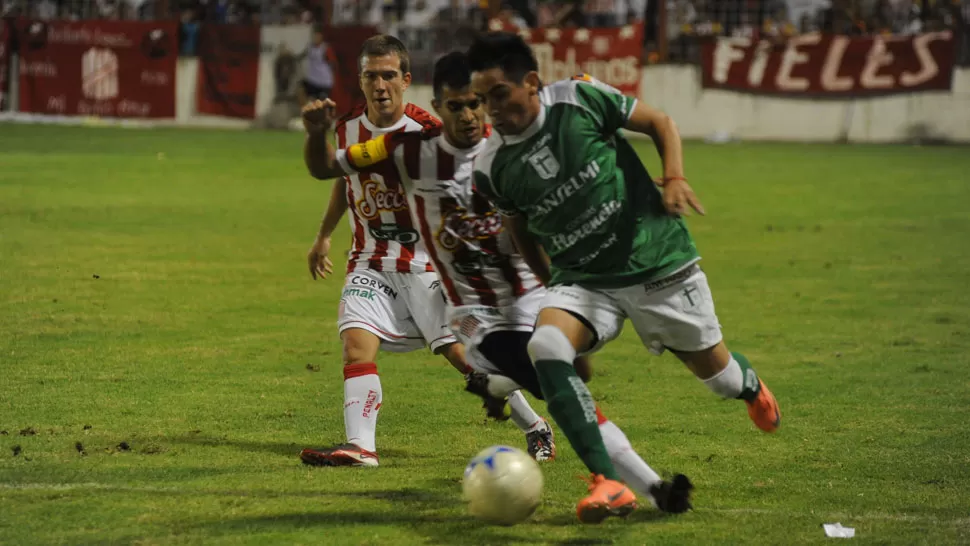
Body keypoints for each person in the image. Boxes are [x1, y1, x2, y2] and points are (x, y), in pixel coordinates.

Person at [300, 51, 693, 521]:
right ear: (440, 106)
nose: (467, 115)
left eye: (475, 104)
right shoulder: (410, 149)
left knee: (565, 385)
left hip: (530, 294)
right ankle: (635, 485)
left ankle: (538, 415)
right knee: (549, 383)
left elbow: (573, 183)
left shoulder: (509, 152)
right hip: (473, 307)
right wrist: (317, 137)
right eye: (456, 105)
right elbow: (333, 171)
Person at [466, 32, 781, 520]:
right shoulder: (490, 166)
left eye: (499, 94)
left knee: (719, 379)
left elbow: (659, 122)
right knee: (545, 346)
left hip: (655, 261)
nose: (492, 109)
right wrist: (552, 284)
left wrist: (674, 176)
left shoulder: (578, 98)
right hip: (584, 279)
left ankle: (750, 387)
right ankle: (609, 483)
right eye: (483, 100)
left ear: (531, 83)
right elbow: (519, 228)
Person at [299, 35, 553, 468]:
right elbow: (344, 181)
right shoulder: (345, 128)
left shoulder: (429, 131)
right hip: (370, 259)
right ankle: (362, 448)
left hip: (427, 263)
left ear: (406, 79)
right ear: (360, 81)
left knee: (464, 356)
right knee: (356, 344)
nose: (380, 85)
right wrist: (324, 234)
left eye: (389, 75)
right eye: (371, 76)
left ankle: (534, 426)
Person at [301, 28, 336, 103]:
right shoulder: (309, 47)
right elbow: (302, 56)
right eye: (314, 37)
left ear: (321, 37)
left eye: (318, 37)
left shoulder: (325, 48)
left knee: (323, 101)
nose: (316, 39)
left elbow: (333, 62)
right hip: (313, 79)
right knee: (311, 100)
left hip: (324, 80)